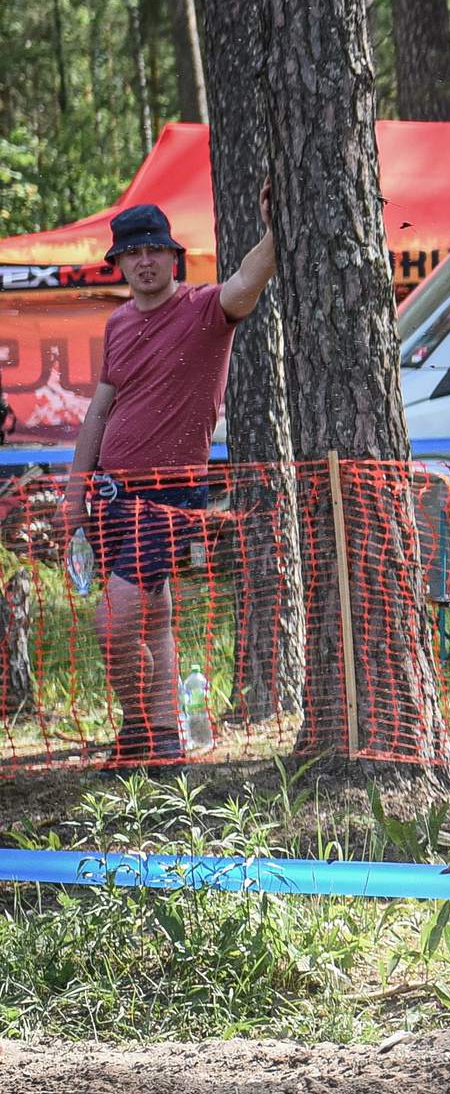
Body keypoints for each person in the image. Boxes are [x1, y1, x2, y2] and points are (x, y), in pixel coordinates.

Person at [62, 200, 275, 761]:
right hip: (111, 494)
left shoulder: (207, 309)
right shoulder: (118, 322)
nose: (145, 260)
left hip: (170, 497)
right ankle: (163, 740)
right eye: (132, 252)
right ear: (120, 263)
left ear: (174, 256)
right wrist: (73, 495)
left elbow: (248, 281)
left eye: (154, 248)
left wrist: (277, 231)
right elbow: (99, 412)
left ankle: (138, 731)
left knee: (114, 625)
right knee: (152, 621)